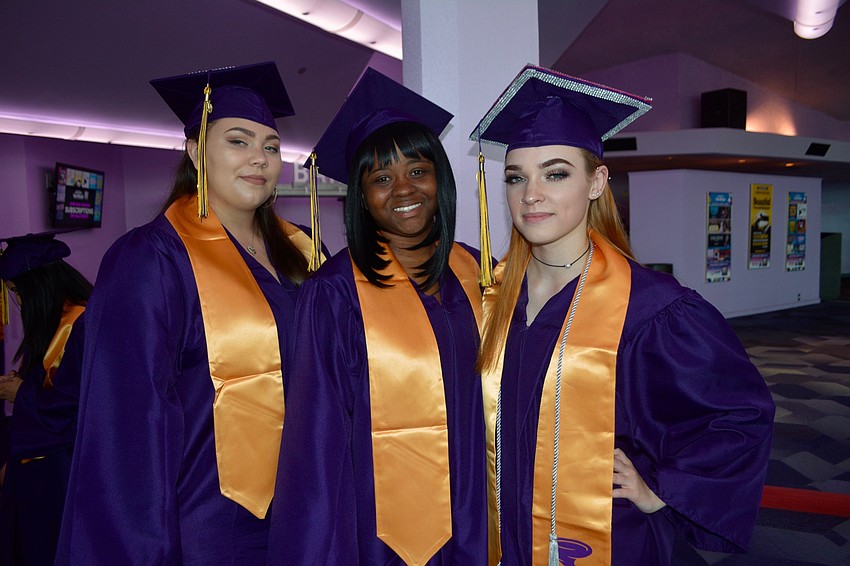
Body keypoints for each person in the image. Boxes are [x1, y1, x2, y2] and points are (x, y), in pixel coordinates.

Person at [471, 65, 775, 566]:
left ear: (597, 182)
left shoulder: (651, 307)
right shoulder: (492, 296)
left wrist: (660, 486)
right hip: (502, 530)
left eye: (556, 173)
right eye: (516, 177)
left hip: (605, 537)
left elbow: (740, 413)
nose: (531, 194)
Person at [56, 62, 322, 565]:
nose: (259, 159)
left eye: (270, 147)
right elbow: (128, 430)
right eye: (238, 141)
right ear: (196, 151)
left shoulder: (303, 254)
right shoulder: (150, 259)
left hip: (304, 516)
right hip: (203, 530)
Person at [268, 68, 489, 565]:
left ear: (440, 177)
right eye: (381, 178)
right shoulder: (334, 296)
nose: (404, 189)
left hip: (481, 510)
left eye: (418, 170)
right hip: (380, 533)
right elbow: (316, 443)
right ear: (361, 198)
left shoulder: (477, 272)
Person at [0, 233, 90, 566]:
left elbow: (76, 406)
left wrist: (20, 392)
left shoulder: (79, 324)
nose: (17, 301)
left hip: (64, 474)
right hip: (44, 470)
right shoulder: (55, 322)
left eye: (16, 291)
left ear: (39, 284)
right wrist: (23, 385)